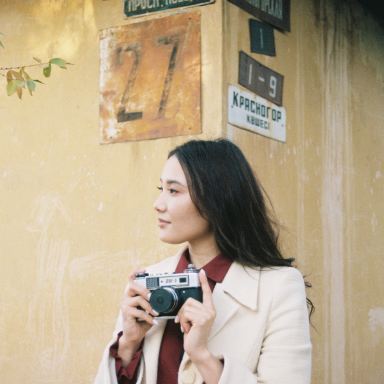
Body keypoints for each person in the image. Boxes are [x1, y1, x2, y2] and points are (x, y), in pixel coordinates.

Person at [94, 139, 312, 384]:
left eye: (173, 191)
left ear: (215, 200)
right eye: (161, 189)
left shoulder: (279, 286)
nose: (158, 205)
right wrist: (128, 345)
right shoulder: (146, 283)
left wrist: (202, 357)